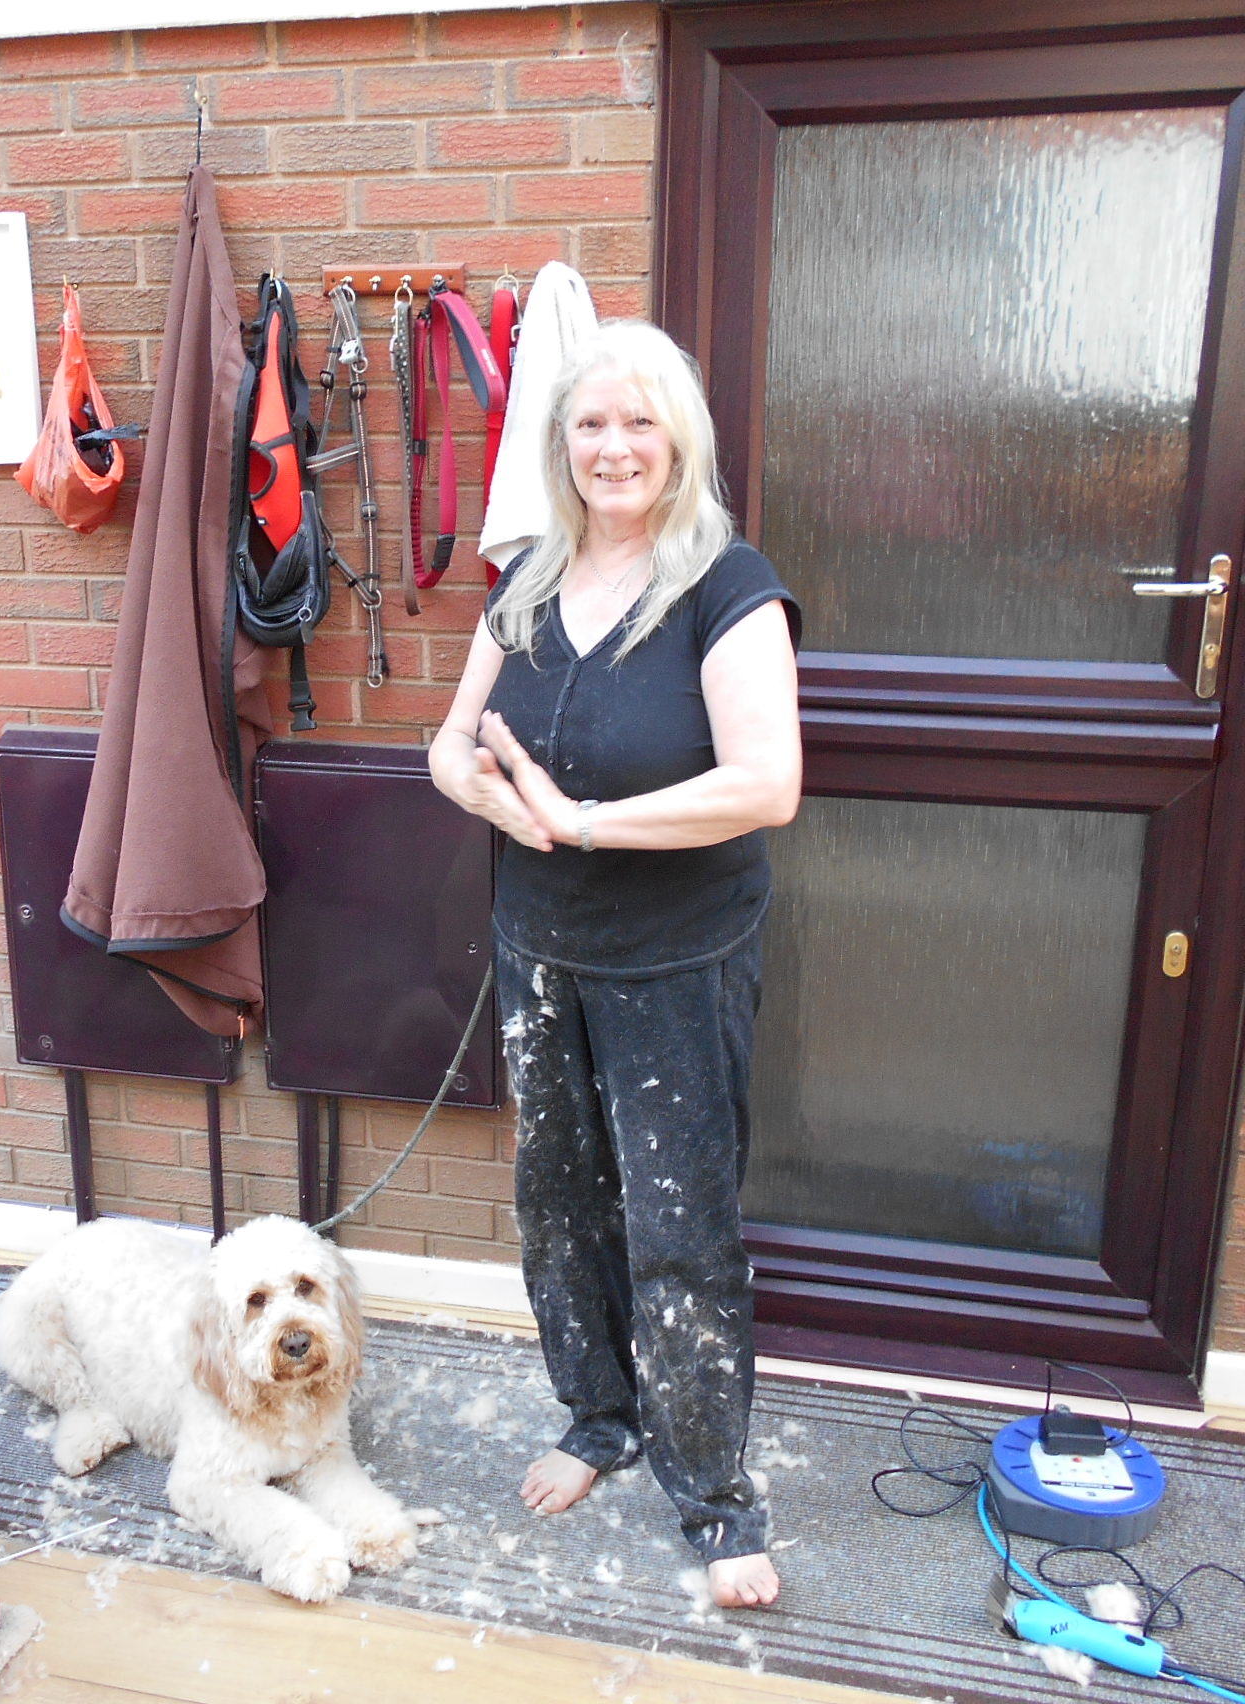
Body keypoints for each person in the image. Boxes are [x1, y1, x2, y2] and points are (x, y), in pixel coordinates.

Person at [429, 320, 801, 1609]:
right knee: (562, 1204)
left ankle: (713, 1495)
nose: (614, 446)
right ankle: (599, 1416)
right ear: (561, 444)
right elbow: (447, 745)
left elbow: (766, 784)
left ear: (680, 439)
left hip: (675, 962)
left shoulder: (724, 582)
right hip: (541, 952)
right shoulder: (528, 575)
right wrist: (490, 796)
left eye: (640, 421)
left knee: (681, 1228)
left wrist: (581, 821)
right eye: (591, 424)